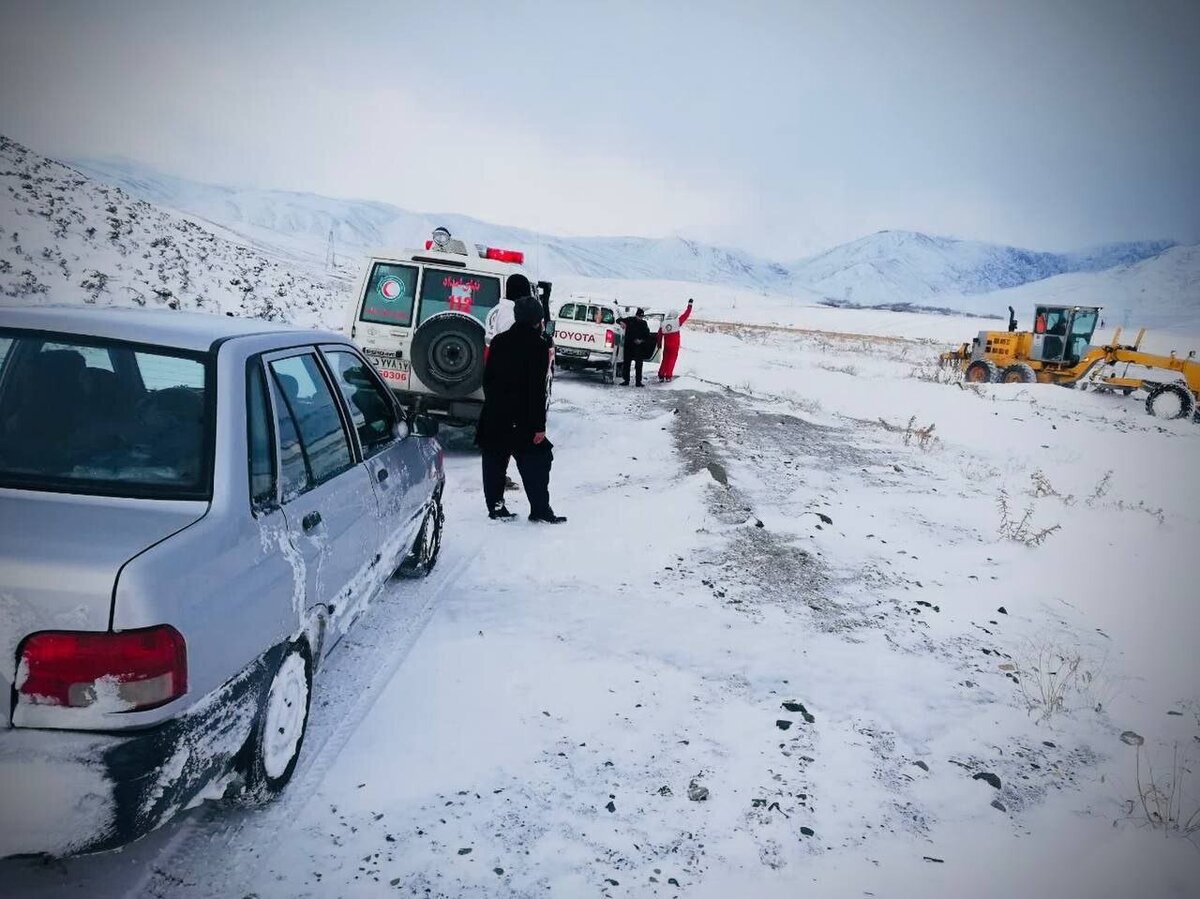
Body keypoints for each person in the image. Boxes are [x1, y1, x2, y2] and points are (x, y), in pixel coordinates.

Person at [474, 293, 566, 524]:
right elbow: (536, 389)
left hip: (495, 414)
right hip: (523, 420)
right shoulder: (538, 345)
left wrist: (495, 404)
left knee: (494, 461)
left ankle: (496, 507)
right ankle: (540, 510)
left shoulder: (499, 341)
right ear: (538, 319)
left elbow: (488, 379)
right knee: (539, 460)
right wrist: (539, 426)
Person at [656, 298, 693, 381]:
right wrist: (690, 305)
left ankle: (661, 374)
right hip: (674, 345)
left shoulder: (663, 323)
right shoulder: (677, 322)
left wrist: (659, 343)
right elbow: (686, 315)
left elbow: (659, 334)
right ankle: (668, 376)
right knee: (672, 360)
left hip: (666, 344)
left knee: (665, 359)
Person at [617, 308, 653, 386]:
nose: (640, 318)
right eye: (639, 316)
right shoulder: (630, 320)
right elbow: (618, 319)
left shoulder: (644, 323)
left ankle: (638, 382)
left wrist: (641, 341)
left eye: (642, 317)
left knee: (639, 365)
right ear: (636, 315)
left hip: (638, 346)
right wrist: (621, 322)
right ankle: (626, 380)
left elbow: (647, 336)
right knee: (626, 364)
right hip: (629, 345)